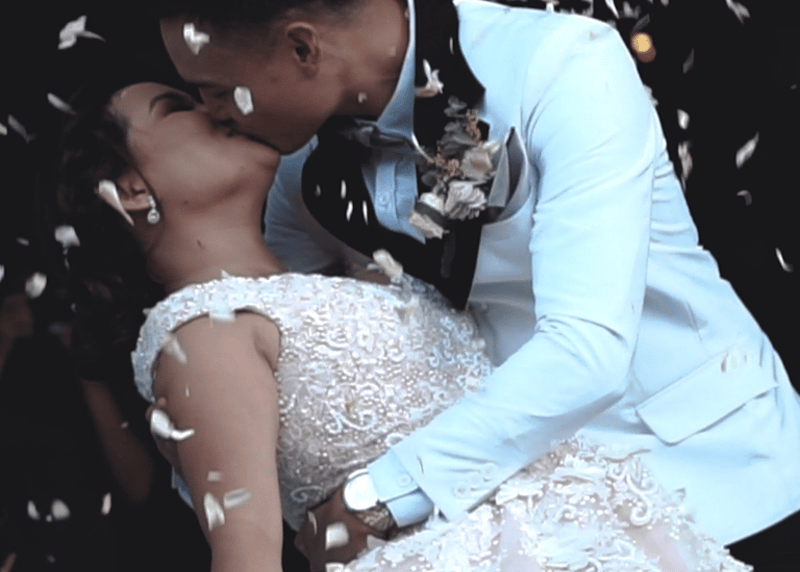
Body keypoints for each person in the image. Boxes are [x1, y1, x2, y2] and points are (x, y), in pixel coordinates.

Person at [146, 0, 800, 569]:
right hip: (528, 521)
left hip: (719, 474)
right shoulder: (303, 173)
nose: (213, 112)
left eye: (215, 88)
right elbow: (278, 335)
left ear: (301, 47)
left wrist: (376, 497)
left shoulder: (561, 63)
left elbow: (589, 348)